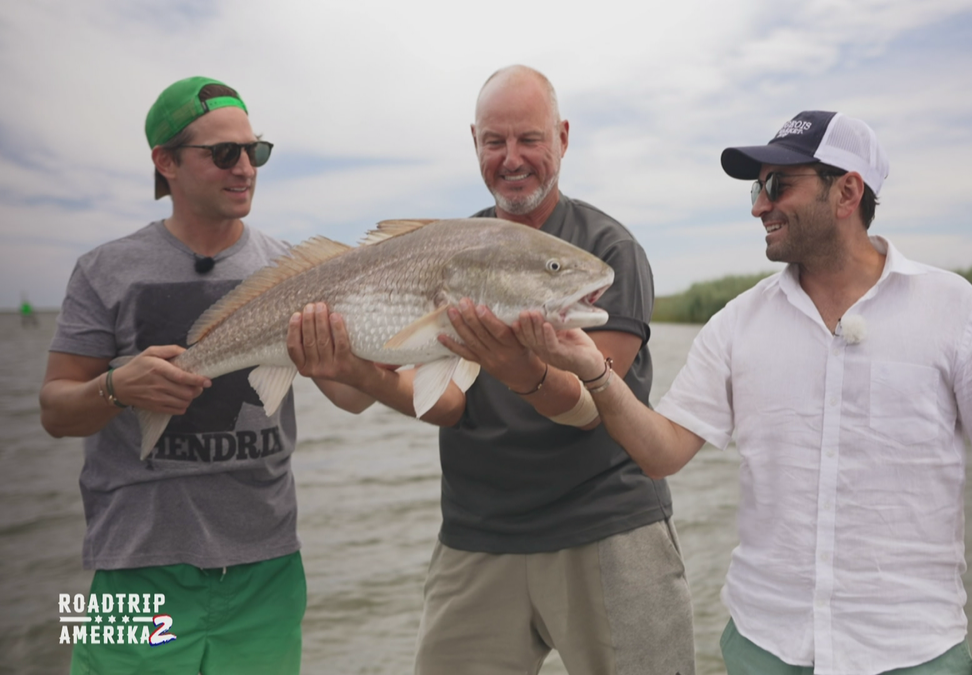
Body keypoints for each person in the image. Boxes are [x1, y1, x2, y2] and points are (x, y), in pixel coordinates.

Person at [513, 111, 972, 675]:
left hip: (913, 652)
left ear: (847, 191)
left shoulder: (955, 309)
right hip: (764, 649)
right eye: (756, 187)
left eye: (776, 186)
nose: (758, 205)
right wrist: (593, 368)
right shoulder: (736, 323)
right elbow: (660, 451)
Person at [285, 65, 695, 674]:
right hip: (477, 535)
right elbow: (449, 404)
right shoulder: (455, 245)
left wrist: (515, 364)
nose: (512, 159)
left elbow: (593, 403)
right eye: (493, 142)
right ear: (474, 143)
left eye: (529, 139)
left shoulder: (606, 253)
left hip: (607, 528)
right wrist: (359, 370)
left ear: (562, 137)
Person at [39, 76, 334, 675]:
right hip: (131, 564)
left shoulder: (293, 267)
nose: (245, 167)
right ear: (165, 162)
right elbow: (54, 410)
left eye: (257, 151)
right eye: (225, 153)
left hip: (268, 565)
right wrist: (117, 388)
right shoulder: (102, 270)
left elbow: (351, 394)